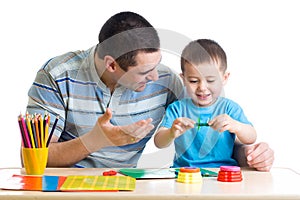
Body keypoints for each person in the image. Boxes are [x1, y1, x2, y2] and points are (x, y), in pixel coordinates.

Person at [26, 11, 274, 171]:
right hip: (66, 189)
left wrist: (250, 155)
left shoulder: (167, 81)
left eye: (156, 66)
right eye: (145, 73)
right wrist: (96, 140)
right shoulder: (57, 75)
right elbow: (35, 157)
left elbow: (206, 130)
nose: (156, 77)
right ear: (112, 64)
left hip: (126, 186)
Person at [154, 39, 271, 170]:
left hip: (224, 172)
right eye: (193, 81)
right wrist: (171, 133)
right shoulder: (177, 109)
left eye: (211, 80)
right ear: (184, 79)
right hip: (185, 173)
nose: (202, 87)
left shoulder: (229, 108)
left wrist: (235, 125)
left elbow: (251, 137)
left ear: (224, 78)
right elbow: (159, 142)